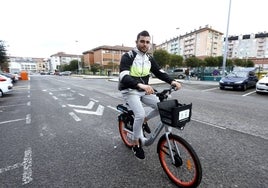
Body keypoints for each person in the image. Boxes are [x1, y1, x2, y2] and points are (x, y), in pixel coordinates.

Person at [118, 30, 182, 159]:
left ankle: (145, 121)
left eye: (147, 42)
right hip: (130, 90)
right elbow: (123, 76)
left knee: (163, 107)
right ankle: (136, 144)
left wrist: (172, 81)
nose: (145, 44)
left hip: (144, 90)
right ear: (136, 42)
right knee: (140, 114)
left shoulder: (149, 58)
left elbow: (159, 72)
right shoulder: (128, 56)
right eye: (142, 41)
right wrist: (139, 85)